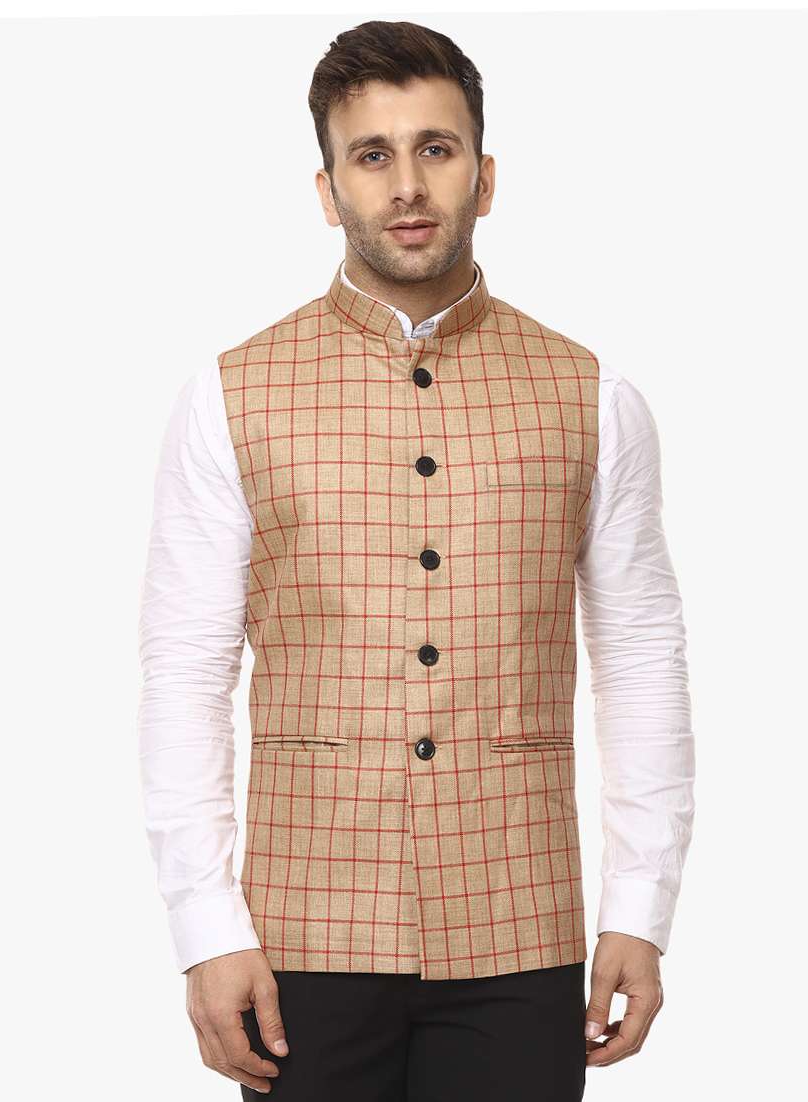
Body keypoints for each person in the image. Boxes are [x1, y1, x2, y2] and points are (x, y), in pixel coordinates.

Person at [137, 19, 695, 1100]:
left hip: (521, 928)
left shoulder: (590, 396)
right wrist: (205, 925)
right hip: (299, 936)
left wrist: (639, 908)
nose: (405, 184)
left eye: (435, 148)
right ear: (327, 188)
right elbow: (185, 671)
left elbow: (639, 659)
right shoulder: (228, 396)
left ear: (484, 176)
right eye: (371, 154)